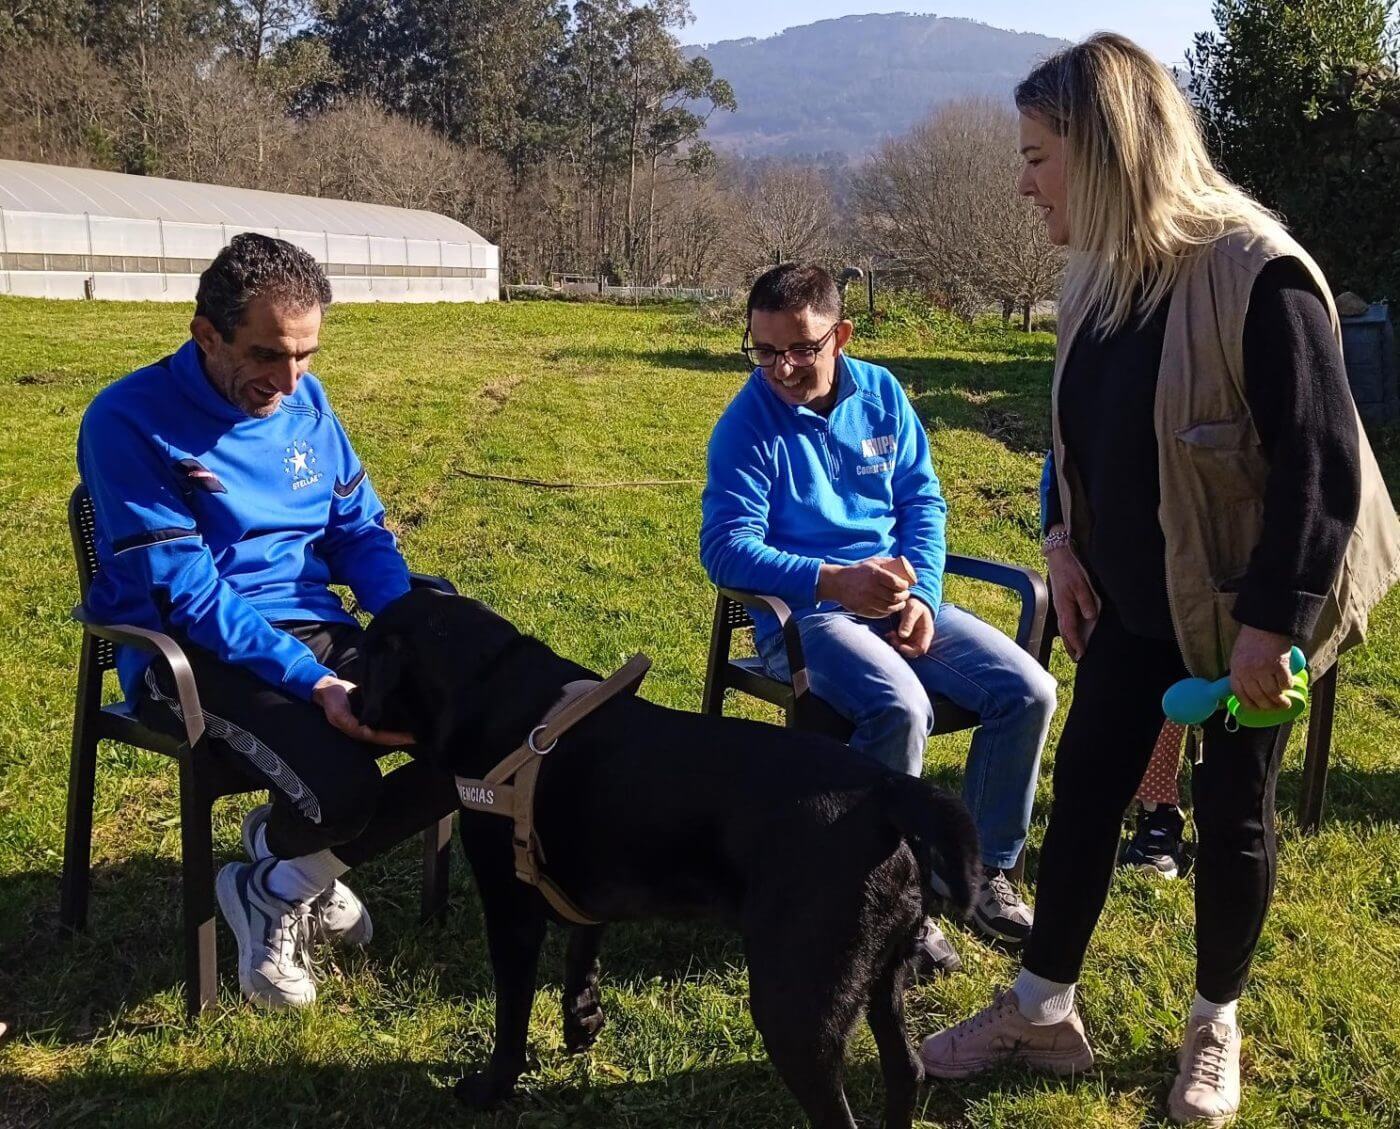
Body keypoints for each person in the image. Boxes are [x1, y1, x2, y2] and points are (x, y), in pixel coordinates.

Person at [920, 34, 1400, 1125]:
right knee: (1088, 779)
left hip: (1244, 609)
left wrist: (1264, 629)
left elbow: (1319, 470)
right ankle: (1042, 1005)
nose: (1021, 180)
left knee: (1231, 813)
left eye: (1038, 156)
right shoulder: (1093, 276)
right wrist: (1057, 542)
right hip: (1136, 598)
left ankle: (1211, 1022)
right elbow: (1071, 439)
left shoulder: (1251, 272)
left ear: (1104, 152)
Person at [77, 233, 460, 1010]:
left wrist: (408, 617)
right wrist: (313, 679)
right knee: (342, 793)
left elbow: (357, 531)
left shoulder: (306, 403)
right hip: (185, 650)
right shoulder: (127, 420)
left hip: (310, 624)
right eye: (266, 355)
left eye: (306, 355)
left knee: (482, 726)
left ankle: (278, 880)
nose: (287, 380)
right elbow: (188, 594)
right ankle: (296, 864)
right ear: (205, 334)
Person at [699, 262, 1058, 972]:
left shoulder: (885, 396)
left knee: (1030, 691)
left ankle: (981, 873)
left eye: (802, 348)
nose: (782, 367)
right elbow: (725, 549)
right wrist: (833, 582)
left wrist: (921, 593)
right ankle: (891, 899)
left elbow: (923, 503)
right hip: (807, 619)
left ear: (843, 335)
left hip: (897, 600)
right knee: (900, 706)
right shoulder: (745, 426)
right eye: (765, 350)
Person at [1042, 452, 1190, 878]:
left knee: (1163, 632)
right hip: (1109, 546)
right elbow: (1063, 451)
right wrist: (1057, 541)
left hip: (1211, 553)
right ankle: (1143, 802)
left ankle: (1159, 808)